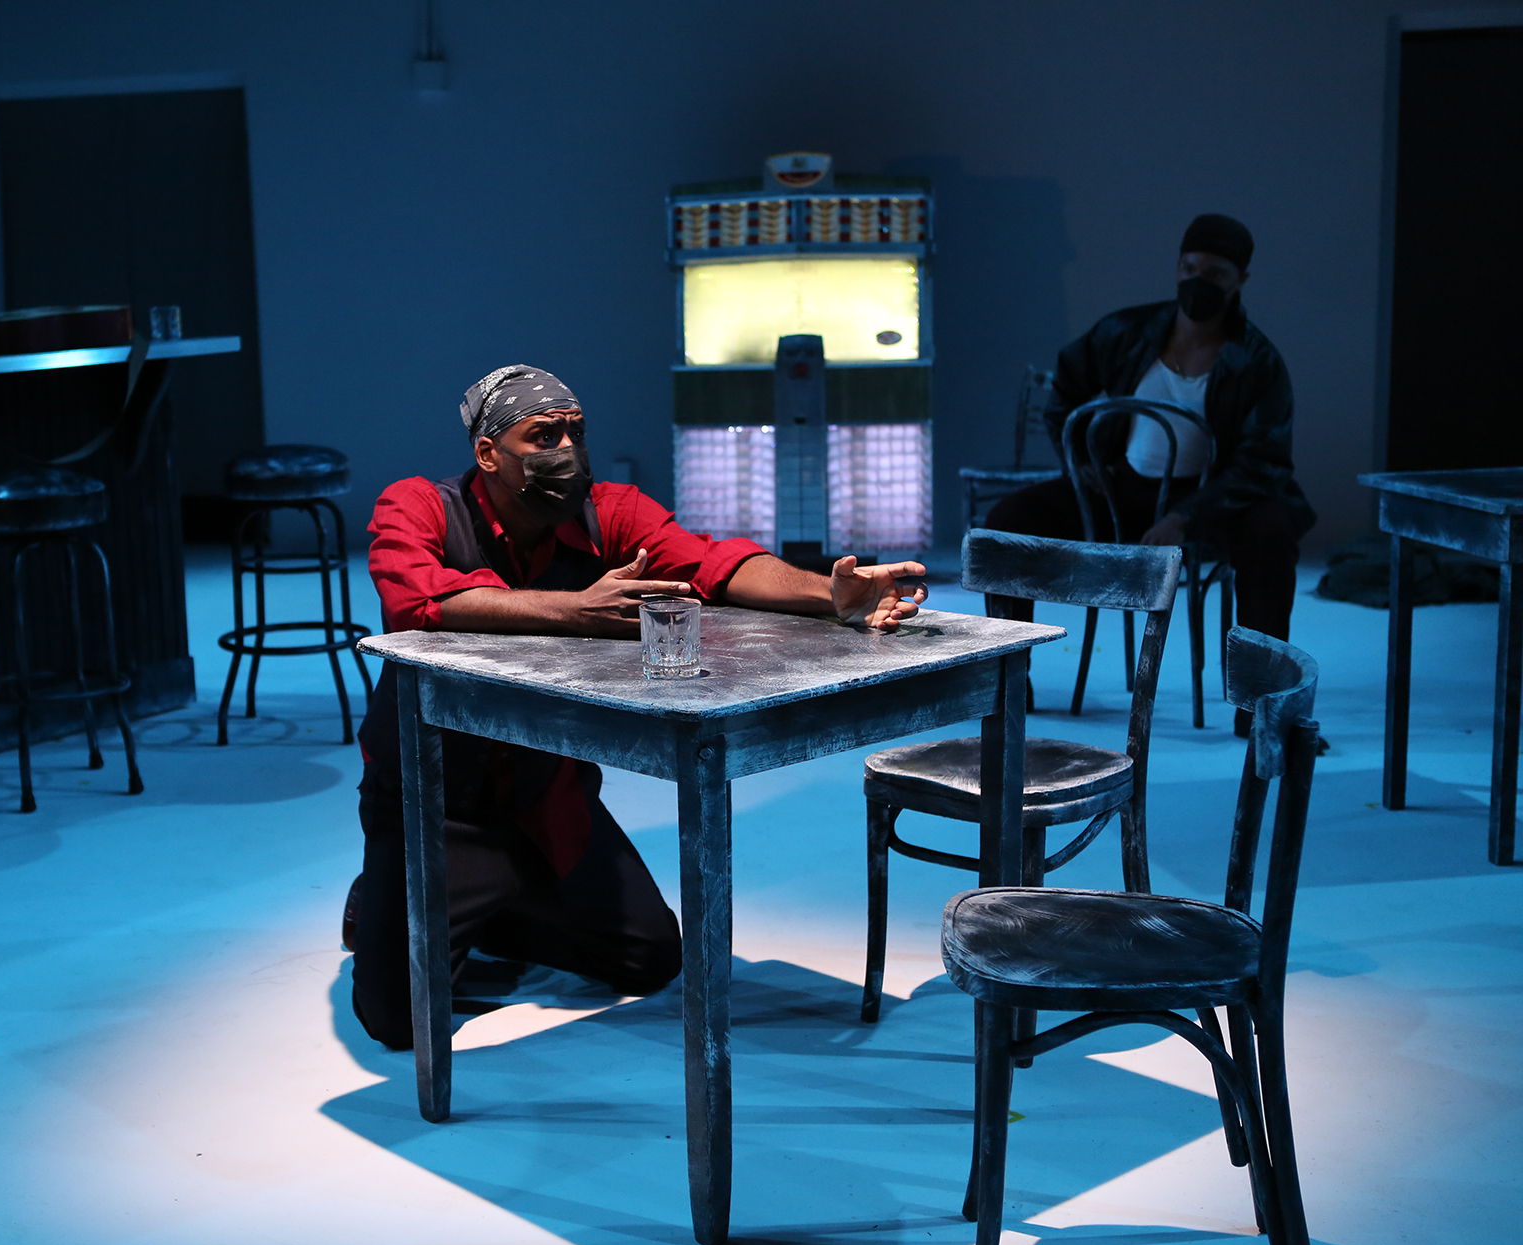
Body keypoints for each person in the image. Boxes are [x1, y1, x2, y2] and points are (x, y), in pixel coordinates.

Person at [347, 364, 928, 1050]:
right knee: (396, 1021)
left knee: (648, 958)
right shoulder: (421, 505)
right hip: (435, 800)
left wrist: (826, 595)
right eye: (543, 436)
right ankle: (387, 899)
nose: (567, 449)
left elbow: (713, 564)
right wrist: (574, 611)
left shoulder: (610, 510)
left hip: (544, 792)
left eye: (575, 431)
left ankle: (486, 910)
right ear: (488, 452)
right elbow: (415, 599)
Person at [986, 214, 1315, 658]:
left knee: (1271, 532)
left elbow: (1263, 461)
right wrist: (1080, 460)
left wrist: (1186, 517)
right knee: (1007, 521)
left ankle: (1261, 691)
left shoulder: (1257, 361)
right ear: (1177, 268)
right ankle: (1007, 676)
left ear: (1240, 280)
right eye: (1190, 268)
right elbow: (1067, 387)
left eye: (1216, 273)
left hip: (1210, 500)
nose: (1199, 282)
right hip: (1121, 488)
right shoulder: (1128, 332)